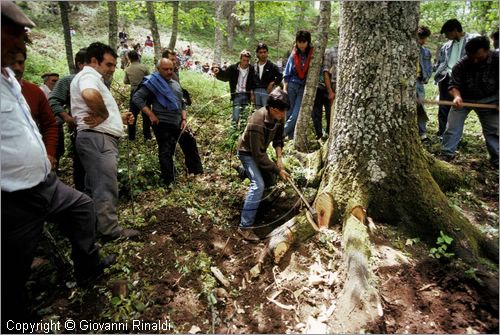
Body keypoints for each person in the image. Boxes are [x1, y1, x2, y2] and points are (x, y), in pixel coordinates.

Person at [1, 1, 115, 328]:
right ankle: (15, 318)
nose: (22, 44)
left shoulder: (12, 82)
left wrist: (49, 156)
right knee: (13, 266)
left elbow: (44, 125)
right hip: (12, 197)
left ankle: (88, 266)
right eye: (14, 34)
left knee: (82, 207)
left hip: (45, 183)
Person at [71, 42, 140, 241]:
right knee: (105, 186)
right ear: (94, 61)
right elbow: (90, 95)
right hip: (99, 140)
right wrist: (103, 115)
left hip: (96, 139)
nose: (112, 69)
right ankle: (110, 231)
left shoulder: (93, 78)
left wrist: (118, 117)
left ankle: (92, 228)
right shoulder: (88, 75)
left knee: (93, 187)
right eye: (109, 64)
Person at [132, 58, 203, 186]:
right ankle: (170, 182)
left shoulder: (175, 83)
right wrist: (151, 114)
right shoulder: (152, 82)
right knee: (166, 150)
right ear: (158, 69)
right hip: (162, 123)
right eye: (166, 69)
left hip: (178, 122)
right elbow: (137, 98)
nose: (169, 71)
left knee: (190, 142)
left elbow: (182, 103)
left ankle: (196, 173)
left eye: (171, 69)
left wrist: (184, 120)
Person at [236, 88, 290, 241]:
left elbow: (278, 139)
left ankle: (244, 172)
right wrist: (278, 170)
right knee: (258, 185)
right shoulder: (256, 121)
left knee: (270, 181)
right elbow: (258, 156)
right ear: (273, 109)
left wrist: (279, 158)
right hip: (248, 153)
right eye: (282, 112)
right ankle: (244, 227)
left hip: (259, 152)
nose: (284, 115)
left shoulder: (278, 116)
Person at [441, 36, 499, 167]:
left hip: (490, 101)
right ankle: (446, 155)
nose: (475, 60)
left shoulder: (497, 60)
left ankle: (497, 160)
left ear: (487, 50)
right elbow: (453, 85)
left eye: (478, 57)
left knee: (494, 131)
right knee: (452, 127)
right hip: (464, 100)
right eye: (471, 57)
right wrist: (456, 96)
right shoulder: (461, 65)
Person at [10, 50, 59, 169]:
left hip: (33, 162)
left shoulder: (34, 91)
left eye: (21, 62)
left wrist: (49, 153)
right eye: (11, 63)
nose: (17, 67)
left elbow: (50, 124)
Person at [49, 48, 87, 190]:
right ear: (79, 64)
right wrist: (67, 118)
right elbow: (53, 100)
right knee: (80, 162)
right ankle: (81, 191)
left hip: (99, 132)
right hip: (79, 130)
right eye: (87, 63)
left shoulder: (100, 80)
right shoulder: (69, 80)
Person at [434, 19, 479, 137]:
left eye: (447, 33)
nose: (446, 36)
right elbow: (442, 61)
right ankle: (442, 135)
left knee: (457, 109)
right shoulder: (446, 46)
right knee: (443, 107)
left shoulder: (472, 40)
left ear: (455, 30)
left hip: (462, 80)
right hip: (446, 78)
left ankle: (454, 137)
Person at [283, 30, 314, 139]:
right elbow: (286, 73)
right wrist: (285, 88)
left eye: (304, 42)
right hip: (292, 85)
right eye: (299, 42)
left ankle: (281, 133)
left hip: (303, 87)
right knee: (289, 112)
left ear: (308, 42)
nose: (301, 44)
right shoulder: (293, 54)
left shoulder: (312, 54)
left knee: (296, 114)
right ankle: (290, 138)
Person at [213, 50, 256, 129]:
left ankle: (242, 137)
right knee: (235, 117)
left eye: (247, 61)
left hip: (247, 96)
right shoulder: (233, 68)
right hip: (237, 95)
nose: (245, 62)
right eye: (244, 60)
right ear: (240, 59)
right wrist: (218, 72)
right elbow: (225, 76)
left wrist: (253, 94)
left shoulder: (252, 69)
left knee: (244, 118)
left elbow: (254, 82)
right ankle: (232, 136)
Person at [125, 50, 151, 140]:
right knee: (146, 115)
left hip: (134, 92)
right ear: (138, 57)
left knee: (132, 114)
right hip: (145, 92)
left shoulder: (128, 69)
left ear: (129, 58)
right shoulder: (144, 67)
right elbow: (150, 78)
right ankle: (147, 136)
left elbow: (125, 81)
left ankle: (131, 137)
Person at [253, 42, 283, 109]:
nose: (263, 54)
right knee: (258, 112)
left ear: (267, 53)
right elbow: (250, 80)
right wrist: (252, 92)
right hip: (256, 92)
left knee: (266, 111)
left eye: (264, 52)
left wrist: (273, 83)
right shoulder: (254, 66)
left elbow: (280, 76)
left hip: (267, 91)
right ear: (257, 54)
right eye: (260, 52)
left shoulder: (272, 66)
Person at [416, 26, 433, 141]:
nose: (423, 41)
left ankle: (422, 132)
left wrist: (426, 77)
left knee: (420, 106)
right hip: (407, 81)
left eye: (425, 38)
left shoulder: (426, 52)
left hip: (418, 81)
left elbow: (429, 67)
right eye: (421, 38)